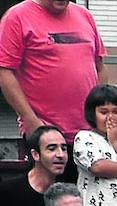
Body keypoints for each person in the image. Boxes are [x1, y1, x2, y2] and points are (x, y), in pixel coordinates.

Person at [0, 0, 105, 145]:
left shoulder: (85, 15)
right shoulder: (17, 16)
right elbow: (4, 72)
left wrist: (100, 114)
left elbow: (100, 67)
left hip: (90, 135)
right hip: (45, 135)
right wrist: (31, 121)